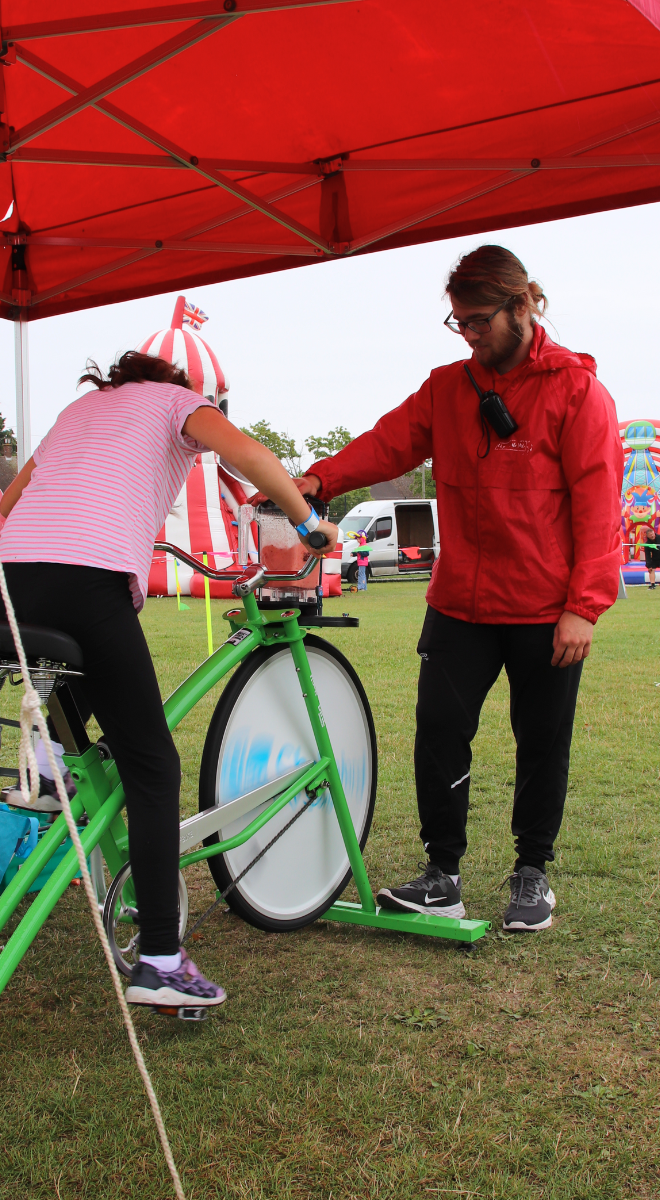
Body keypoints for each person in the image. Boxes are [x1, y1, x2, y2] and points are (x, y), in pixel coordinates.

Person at [292, 246, 622, 932]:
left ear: (522, 306)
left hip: (545, 612)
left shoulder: (578, 392)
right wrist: (322, 478)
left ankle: (532, 874)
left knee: (542, 743)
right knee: (439, 734)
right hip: (458, 607)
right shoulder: (447, 388)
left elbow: (599, 508)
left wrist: (583, 608)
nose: (467, 334)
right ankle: (441, 874)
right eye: (458, 322)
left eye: (477, 321)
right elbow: (388, 444)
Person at [0, 350, 338, 1008]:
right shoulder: (178, 403)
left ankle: (47, 763)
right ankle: (159, 955)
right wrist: (307, 522)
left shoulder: (81, 410)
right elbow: (251, 456)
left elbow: (13, 500)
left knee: (90, 730)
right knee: (153, 766)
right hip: (86, 581)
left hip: (16, 580)